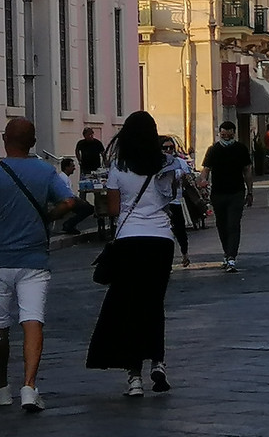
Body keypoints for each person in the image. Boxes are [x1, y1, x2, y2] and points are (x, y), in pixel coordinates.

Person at [86, 111, 177, 398]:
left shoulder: (118, 167)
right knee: (154, 302)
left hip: (129, 240)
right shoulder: (165, 164)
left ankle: (134, 376)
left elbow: (113, 210)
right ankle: (158, 362)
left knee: (131, 306)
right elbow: (171, 199)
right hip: (161, 239)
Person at [0, 118, 75, 412]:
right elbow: (69, 202)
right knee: (33, 321)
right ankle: (29, 387)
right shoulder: (45, 171)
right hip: (34, 259)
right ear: (32, 142)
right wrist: (48, 215)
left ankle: (2, 388)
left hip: (0, 258)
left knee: (0, 327)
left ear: (5, 140)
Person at [199, 120, 254, 273]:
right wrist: (202, 181)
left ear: (234, 134)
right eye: (223, 135)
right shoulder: (213, 150)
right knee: (221, 225)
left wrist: (250, 191)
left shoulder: (240, 149)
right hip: (218, 193)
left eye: (229, 135)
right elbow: (206, 169)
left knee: (233, 224)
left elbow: (247, 171)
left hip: (236, 192)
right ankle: (227, 252)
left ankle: (231, 257)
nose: (226, 138)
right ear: (220, 134)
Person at [160, 138, 192, 267]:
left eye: (171, 147)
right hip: (160, 203)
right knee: (164, 232)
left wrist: (184, 177)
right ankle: (165, 260)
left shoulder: (179, 162)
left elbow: (188, 179)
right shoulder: (156, 163)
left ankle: (185, 254)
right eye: (165, 148)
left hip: (175, 201)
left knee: (180, 230)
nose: (168, 150)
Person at [58, 157, 96, 235]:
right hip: (66, 201)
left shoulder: (64, 177)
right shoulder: (63, 178)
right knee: (89, 209)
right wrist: (78, 200)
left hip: (68, 199)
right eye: (72, 166)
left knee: (87, 207)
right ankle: (69, 224)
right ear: (66, 167)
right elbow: (68, 194)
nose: (74, 169)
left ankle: (70, 224)